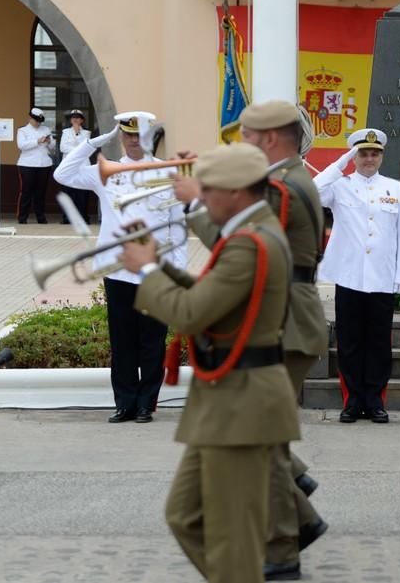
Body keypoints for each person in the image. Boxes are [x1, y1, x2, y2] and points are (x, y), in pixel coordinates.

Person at [119, 142, 300, 583]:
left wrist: (146, 271)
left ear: (236, 191)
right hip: (227, 403)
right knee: (186, 515)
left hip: (243, 404)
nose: (199, 197)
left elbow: (190, 314)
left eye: (207, 189)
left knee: (231, 537)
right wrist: (158, 262)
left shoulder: (251, 242)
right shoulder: (248, 233)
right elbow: (209, 296)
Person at [172, 100, 328, 580]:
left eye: (246, 138)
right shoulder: (291, 179)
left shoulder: (282, 186)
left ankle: (284, 547)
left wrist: (196, 202)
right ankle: (297, 517)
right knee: (269, 442)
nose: (241, 145)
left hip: (287, 318)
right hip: (292, 313)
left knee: (265, 444)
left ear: (270, 140)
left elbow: (237, 234)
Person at [54, 113, 187, 424]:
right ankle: (125, 403)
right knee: (123, 341)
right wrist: (94, 142)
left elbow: (178, 227)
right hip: (118, 271)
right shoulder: (106, 173)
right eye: (126, 136)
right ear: (121, 138)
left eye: (137, 135)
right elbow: (63, 173)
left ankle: (146, 404)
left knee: (152, 341)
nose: (132, 141)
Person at [314, 128, 400, 424]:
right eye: (363, 153)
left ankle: (375, 401)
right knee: (350, 342)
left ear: (382, 156)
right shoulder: (339, 186)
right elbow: (312, 190)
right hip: (350, 277)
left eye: (375, 153)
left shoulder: (396, 189)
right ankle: (352, 400)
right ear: (354, 156)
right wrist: (340, 162)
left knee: (379, 343)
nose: (369, 158)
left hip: (381, 278)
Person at [16, 107, 56, 224]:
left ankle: (41, 217)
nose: (38, 123)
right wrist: (37, 141)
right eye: (36, 120)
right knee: (26, 191)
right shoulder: (23, 130)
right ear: (30, 118)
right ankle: (22, 217)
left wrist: (49, 142)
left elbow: (52, 149)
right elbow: (21, 145)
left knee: (41, 192)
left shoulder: (46, 129)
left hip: (44, 164)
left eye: (39, 120)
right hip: (27, 164)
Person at [58, 110, 92, 224]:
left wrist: (77, 134)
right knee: (68, 192)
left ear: (82, 120)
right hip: (69, 167)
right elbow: (63, 148)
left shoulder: (86, 133)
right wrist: (77, 149)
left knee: (82, 193)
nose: (75, 119)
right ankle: (67, 218)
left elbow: (86, 148)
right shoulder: (66, 132)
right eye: (73, 117)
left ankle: (83, 217)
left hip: (83, 166)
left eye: (78, 117)